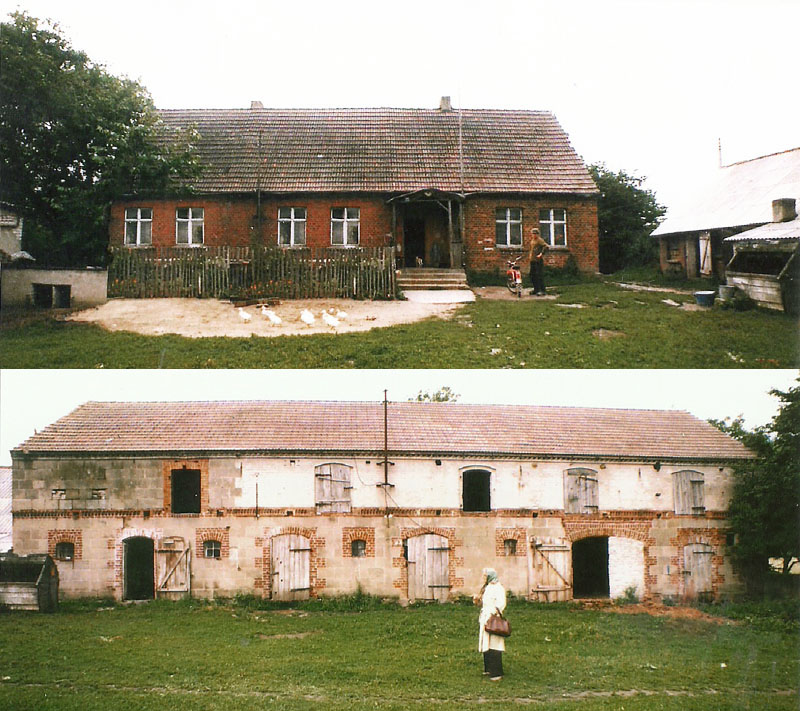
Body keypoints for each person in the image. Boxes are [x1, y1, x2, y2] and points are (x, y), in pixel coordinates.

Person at [473, 568, 507, 680]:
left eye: (485, 576)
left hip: (493, 619)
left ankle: (497, 673)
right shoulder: (487, 588)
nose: (483, 578)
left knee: (494, 645)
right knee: (486, 644)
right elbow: (485, 602)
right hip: (485, 618)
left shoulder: (498, 588)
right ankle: (488, 668)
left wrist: (493, 614)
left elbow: (501, 603)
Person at [528, 227, 548, 295]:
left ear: (537, 234)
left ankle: (542, 290)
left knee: (539, 275)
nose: (534, 235)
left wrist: (541, 254)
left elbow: (546, 247)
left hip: (538, 261)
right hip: (532, 260)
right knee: (532, 275)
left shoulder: (540, 240)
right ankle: (536, 289)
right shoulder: (532, 240)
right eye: (533, 234)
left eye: (535, 234)